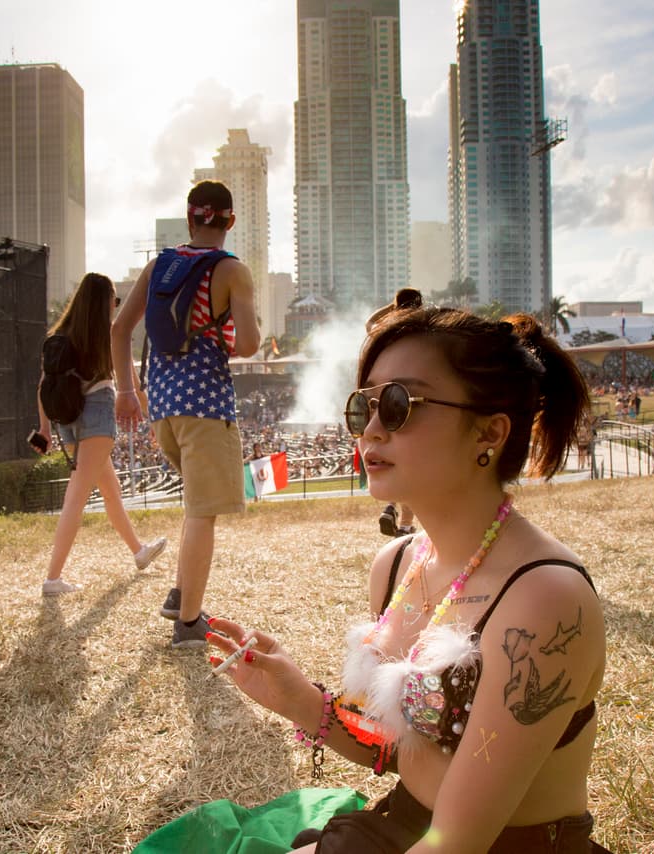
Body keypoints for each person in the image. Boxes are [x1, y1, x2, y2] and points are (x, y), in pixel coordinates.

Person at [208, 308, 607, 852]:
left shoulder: (544, 599)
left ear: (488, 431)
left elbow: (458, 842)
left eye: (399, 405)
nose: (370, 430)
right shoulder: (396, 565)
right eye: (363, 407)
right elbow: (402, 753)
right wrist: (301, 700)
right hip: (402, 825)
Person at [111, 181, 261, 647]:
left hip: (163, 408)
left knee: (195, 506)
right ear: (229, 221)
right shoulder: (232, 270)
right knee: (204, 512)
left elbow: (119, 331)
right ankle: (189, 624)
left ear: (190, 217)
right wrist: (225, 329)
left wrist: (125, 391)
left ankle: (181, 594)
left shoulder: (160, 265)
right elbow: (251, 345)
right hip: (207, 406)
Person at [35, 272, 167, 596]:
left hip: (67, 419)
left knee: (111, 489)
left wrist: (43, 428)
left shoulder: (61, 335)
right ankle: (52, 579)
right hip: (96, 414)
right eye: (115, 300)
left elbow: (42, 385)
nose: (116, 306)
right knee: (76, 497)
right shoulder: (109, 337)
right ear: (105, 302)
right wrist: (154, 421)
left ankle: (139, 551)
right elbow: (133, 387)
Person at [367, 288, 424, 539]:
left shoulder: (389, 329)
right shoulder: (422, 330)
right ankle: (405, 525)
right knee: (410, 462)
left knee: (391, 456)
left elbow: (369, 323)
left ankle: (390, 505)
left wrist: (392, 308)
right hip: (411, 400)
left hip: (386, 398)